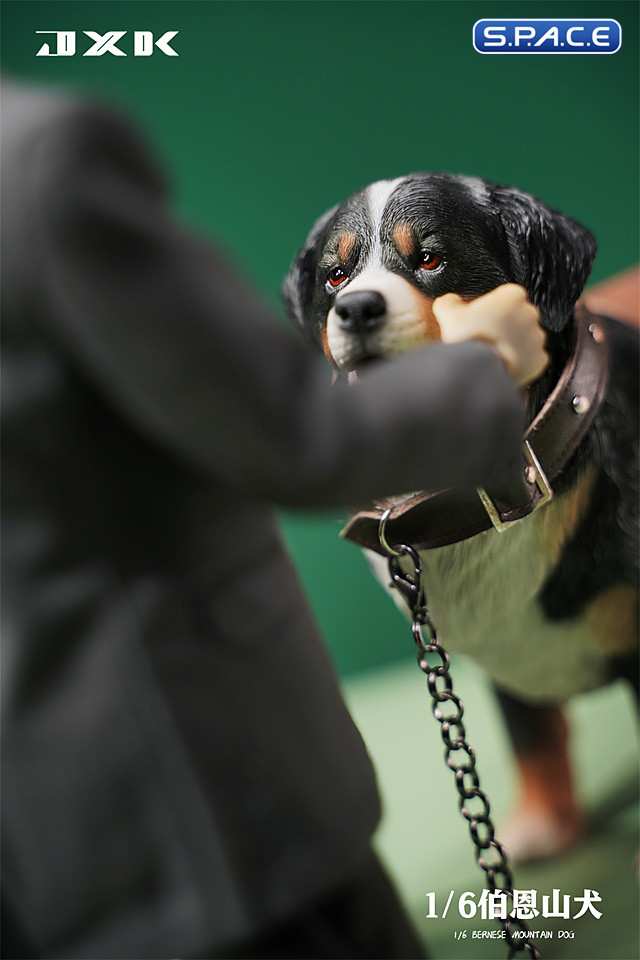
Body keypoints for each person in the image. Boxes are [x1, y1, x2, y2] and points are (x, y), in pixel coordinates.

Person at [1, 81, 545, 960]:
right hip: (203, 816)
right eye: (338, 280)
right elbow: (300, 435)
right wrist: (486, 364)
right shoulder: (30, 162)